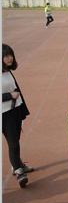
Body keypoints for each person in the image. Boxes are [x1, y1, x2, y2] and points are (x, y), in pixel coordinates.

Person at [2, 44, 33, 188]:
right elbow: (12, 92)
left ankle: (18, 164)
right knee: (13, 143)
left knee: (14, 141)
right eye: (6, 55)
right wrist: (9, 95)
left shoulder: (7, 71)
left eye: (10, 55)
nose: (9, 58)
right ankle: (19, 171)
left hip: (14, 111)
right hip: (4, 113)